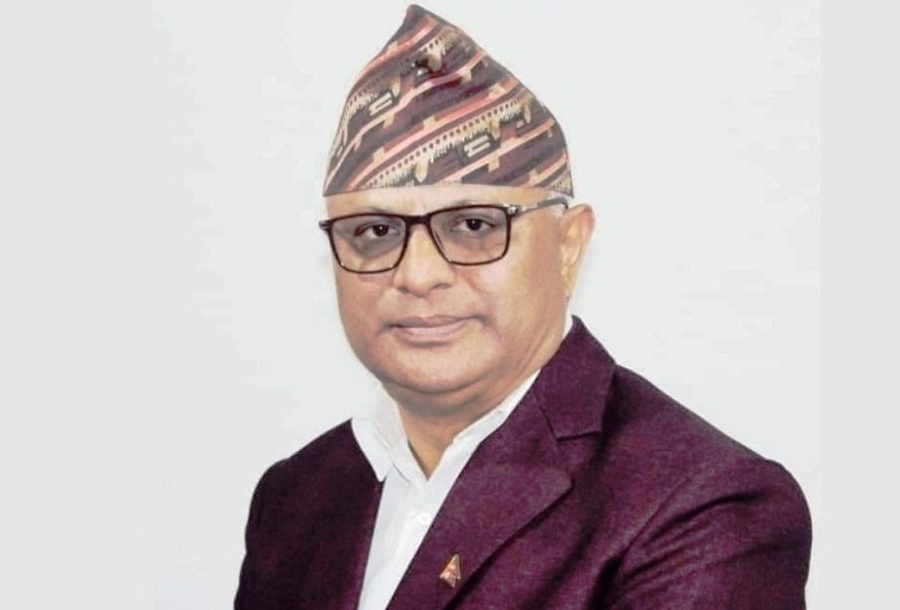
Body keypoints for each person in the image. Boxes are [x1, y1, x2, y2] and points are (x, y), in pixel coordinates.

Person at [234, 4, 811, 609]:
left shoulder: (700, 507)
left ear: (568, 247)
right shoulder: (297, 497)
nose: (419, 274)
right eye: (375, 232)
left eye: (474, 225)